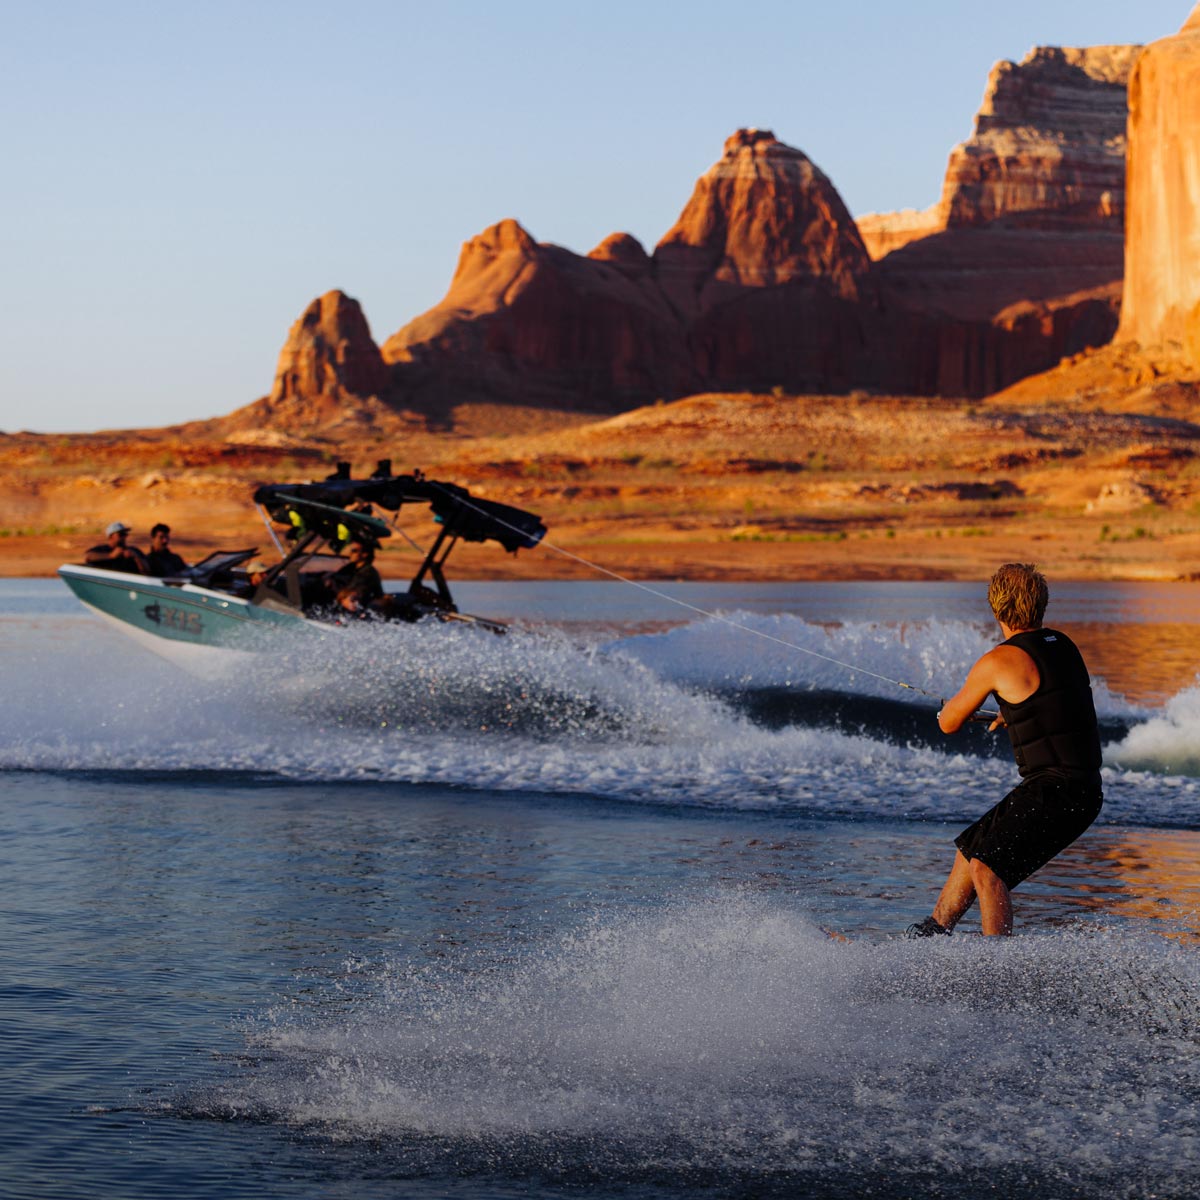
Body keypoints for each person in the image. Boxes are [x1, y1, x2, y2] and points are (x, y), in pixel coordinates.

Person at [909, 563, 1103, 938]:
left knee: (987, 866)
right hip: (1081, 790)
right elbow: (1055, 701)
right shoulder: (1064, 645)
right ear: (1040, 604)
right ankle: (931, 935)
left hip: (1057, 792)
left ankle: (999, 971)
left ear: (996, 607)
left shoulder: (997, 661)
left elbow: (948, 723)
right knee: (970, 849)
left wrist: (954, 710)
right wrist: (1011, 712)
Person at [323, 541, 384, 614]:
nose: (350, 554)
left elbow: (354, 592)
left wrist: (334, 588)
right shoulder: (351, 567)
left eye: (354, 551)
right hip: (343, 602)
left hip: (356, 608)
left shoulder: (368, 573)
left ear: (365, 554)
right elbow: (337, 577)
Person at [84, 522, 149, 574]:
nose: (124, 537)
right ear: (111, 536)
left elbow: (147, 572)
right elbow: (88, 556)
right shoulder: (103, 549)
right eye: (121, 534)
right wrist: (110, 556)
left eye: (125, 534)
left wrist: (136, 558)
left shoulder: (134, 550)